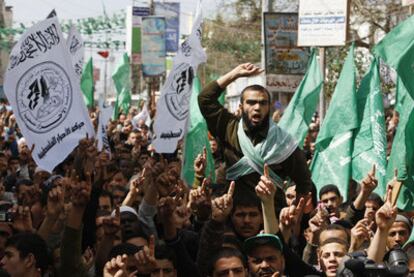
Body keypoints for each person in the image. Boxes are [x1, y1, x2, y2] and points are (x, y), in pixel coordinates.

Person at [198, 63, 315, 208]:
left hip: (271, 217)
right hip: (233, 213)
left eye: (262, 103)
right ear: (241, 107)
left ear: (269, 108)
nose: (257, 107)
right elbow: (205, 99)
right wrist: (234, 74)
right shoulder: (229, 128)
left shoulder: (284, 143)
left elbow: (304, 184)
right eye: (251, 103)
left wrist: (294, 217)